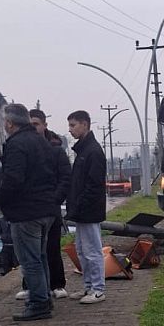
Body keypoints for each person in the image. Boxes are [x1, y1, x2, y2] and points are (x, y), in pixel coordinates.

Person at [0, 104, 57, 321]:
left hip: (26, 212)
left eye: (4, 121)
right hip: (46, 209)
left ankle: (39, 303)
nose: (4, 124)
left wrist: (0, 200)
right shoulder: (41, 141)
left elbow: (13, 179)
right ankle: (44, 298)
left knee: (30, 261)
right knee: (40, 258)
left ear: (10, 123)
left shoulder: (16, 144)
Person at [14, 109, 71, 301]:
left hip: (50, 207)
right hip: (29, 208)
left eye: (36, 124)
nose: (33, 127)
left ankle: (57, 284)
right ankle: (31, 286)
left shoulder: (55, 149)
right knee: (30, 251)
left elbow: (65, 178)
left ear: (45, 125)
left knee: (51, 247)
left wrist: (55, 199)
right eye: (30, 124)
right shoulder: (23, 146)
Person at [65, 110, 107, 304]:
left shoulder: (93, 152)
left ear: (84, 124)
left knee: (92, 251)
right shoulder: (84, 150)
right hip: (82, 210)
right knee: (82, 250)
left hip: (88, 211)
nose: (70, 129)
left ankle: (98, 289)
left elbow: (93, 185)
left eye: (73, 125)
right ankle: (89, 286)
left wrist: (80, 204)